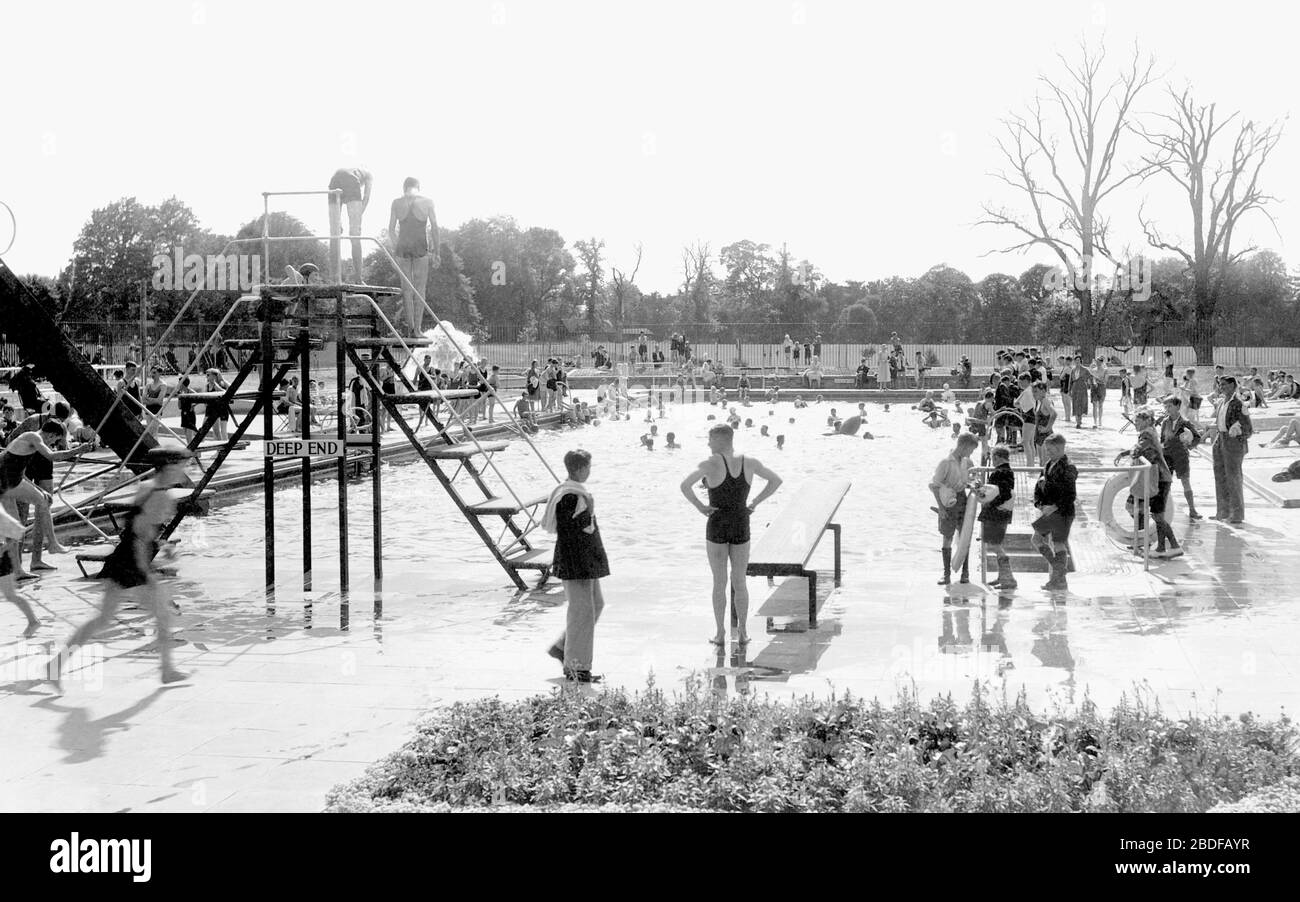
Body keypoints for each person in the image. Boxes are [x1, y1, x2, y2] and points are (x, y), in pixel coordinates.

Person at [53, 446, 194, 689]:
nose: (186, 469)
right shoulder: (160, 496)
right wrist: (146, 573)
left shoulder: (149, 487)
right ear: (170, 465)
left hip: (120, 559)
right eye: (184, 464)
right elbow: (139, 538)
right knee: (162, 614)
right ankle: (167, 670)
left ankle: (54, 666)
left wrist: (163, 544)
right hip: (132, 563)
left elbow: (137, 529)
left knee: (103, 620)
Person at [680, 424, 783, 646]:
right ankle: (743, 632)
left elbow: (685, 485)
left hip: (717, 524)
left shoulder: (710, 463)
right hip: (741, 522)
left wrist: (700, 507)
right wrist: (755, 502)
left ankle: (720, 634)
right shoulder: (750, 462)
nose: (708, 444)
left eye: (710, 440)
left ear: (719, 440)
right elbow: (776, 480)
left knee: (719, 582)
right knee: (740, 581)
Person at [540, 450, 610, 683]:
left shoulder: (573, 491)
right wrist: (588, 511)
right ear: (580, 469)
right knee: (581, 611)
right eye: (588, 468)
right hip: (576, 560)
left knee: (595, 605)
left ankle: (562, 647)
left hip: (584, 559)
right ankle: (577, 667)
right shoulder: (570, 495)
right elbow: (569, 531)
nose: (589, 472)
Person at [388, 176, 440, 335]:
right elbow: (435, 228)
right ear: (418, 187)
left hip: (403, 247)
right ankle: (417, 329)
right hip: (420, 247)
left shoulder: (397, 202)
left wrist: (396, 249)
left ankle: (410, 328)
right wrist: (436, 252)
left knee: (406, 289)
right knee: (420, 288)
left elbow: (391, 230)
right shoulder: (427, 201)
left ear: (404, 188)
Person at [929, 432, 978, 585]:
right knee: (947, 537)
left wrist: (974, 485)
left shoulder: (966, 462)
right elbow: (934, 486)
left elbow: (970, 479)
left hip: (963, 499)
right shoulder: (945, 462)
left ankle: (965, 573)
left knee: (965, 536)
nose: (971, 453)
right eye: (971, 449)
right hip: (949, 503)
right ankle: (946, 574)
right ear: (964, 446)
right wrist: (941, 508)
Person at [1032, 432, 1076, 591]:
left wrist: (1055, 506)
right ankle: (1059, 570)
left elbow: (1070, 495)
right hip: (1048, 510)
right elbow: (1038, 486)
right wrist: (1039, 504)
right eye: (1047, 450)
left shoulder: (1069, 467)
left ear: (1059, 449)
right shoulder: (1048, 464)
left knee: (1058, 543)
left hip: (1062, 511)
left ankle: (1059, 579)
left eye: (1050, 450)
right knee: (1036, 540)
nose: (1047, 453)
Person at [1209, 376, 1252, 524]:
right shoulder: (1221, 402)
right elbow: (1219, 423)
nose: (1222, 388)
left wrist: (1238, 429)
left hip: (1233, 442)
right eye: (1220, 385)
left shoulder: (1239, 404)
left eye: (1225, 385)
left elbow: (1249, 429)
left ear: (1233, 385)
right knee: (1219, 476)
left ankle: (1237, 514)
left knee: (1233, 477)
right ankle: (1222, 511)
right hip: (1220, 439)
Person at [980, 444, 1017, 589]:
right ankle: (1002, 577)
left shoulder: (999, 472)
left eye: (992, 457)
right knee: (996, 544)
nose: (991, 460)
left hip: (996, 513)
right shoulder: (1008, 471)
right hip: (1003, 513)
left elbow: (1003, 494)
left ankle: (1008, 579)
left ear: (996, 457)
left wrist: (990, 504)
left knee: (994, 545)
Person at [327, 166, 374, 282]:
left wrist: (338, 224)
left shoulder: (352, 170)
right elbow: (366, 197)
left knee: (334, 234)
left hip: (334, 179)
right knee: (355, 235)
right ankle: (358, 277)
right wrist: (357, 217)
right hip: (350, 182)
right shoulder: (368, 174)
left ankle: (334, 277)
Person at [1159, 396, 1203, 520]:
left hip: (1181, 456)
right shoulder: (1165, 422)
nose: (1167, 409)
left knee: (1185, 482)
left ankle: (1192, 509)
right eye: (1166, 406)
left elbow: (1197, 437)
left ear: (1178, 407)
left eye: (1170, 406)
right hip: (1167, 455)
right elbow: (1162, 439)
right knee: (1165, 483)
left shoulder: (1185, 422)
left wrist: (1189, 445)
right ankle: (1162, 510)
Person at [0, 503, 40, 636]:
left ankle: (33, 620)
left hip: (1, 558)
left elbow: (18, 530)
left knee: (10, 595)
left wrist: (4, 548)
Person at [1067, 357, 1092, 429]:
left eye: (1078, 360)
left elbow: (1090, 377)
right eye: (1076, 361)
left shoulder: (1085, 369)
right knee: (1075, 403)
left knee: (1081, 403)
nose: (1077, 362)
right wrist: (1069, 390)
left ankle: (1079, 419)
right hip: (1075, 387)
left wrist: (1090, 384)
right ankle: (1077, 420)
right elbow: (1070, 381)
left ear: (1081, 361)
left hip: (1082, 388)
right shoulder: (1073, 370)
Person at [1089, 356, 1107, 428]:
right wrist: (1094, 381)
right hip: (1094, 388)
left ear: (1102, 362)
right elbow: (1090, 377)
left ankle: (1100, 421)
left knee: (1100, 405)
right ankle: (1095, 422)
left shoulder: (1105, 370)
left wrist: (1097, 380)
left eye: (1099, 361)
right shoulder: (1093, 370)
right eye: (1097, 361)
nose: (1097, 363)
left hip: (1101, 387)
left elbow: (1105, 381)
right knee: (1094, 405)